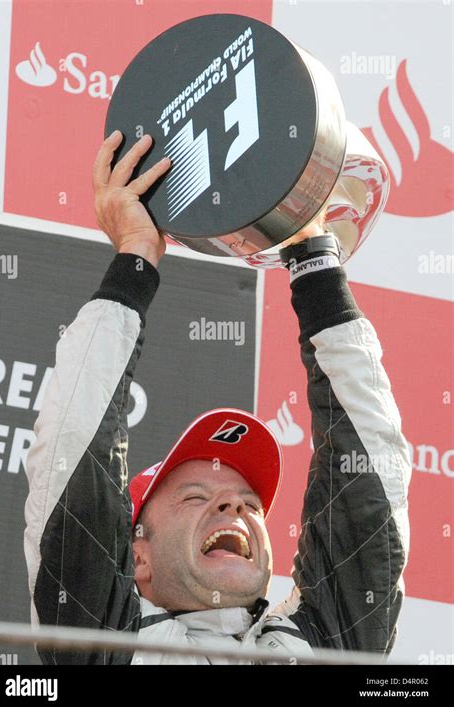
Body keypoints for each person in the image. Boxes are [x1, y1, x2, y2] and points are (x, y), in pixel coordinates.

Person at [24, 130, 412, 665]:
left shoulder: (320, 650)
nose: (234, 505)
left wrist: (311, 256)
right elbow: (73, 454)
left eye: (249, 503)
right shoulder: (103, 644)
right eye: (194, 497)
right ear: (136, 557)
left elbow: (369, 482)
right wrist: (136, 255)